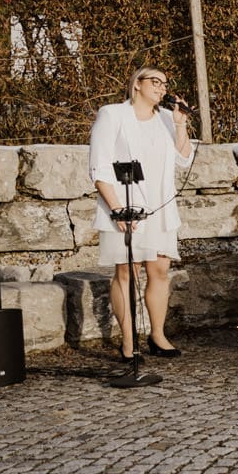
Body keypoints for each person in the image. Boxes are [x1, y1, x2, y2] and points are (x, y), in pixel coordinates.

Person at [89, 67, 193, 361]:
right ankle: (127, 340)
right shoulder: (112, 115)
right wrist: (116, 209)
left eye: (165, 84)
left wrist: (180, 124)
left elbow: (184, 159)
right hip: (126, 203)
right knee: (127, 271)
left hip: (160, 204)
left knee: (159, 270)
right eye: (155, 82)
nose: (161, 88)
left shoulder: (164, 119)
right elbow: (100, 165)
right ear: (137, 84)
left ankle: (157, 335)